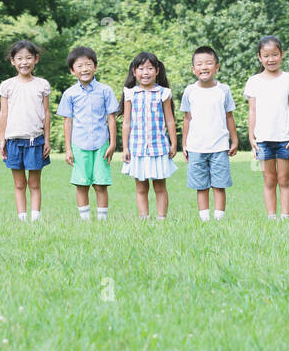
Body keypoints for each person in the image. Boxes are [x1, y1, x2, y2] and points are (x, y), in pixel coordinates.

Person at [56, 46, 118, 221]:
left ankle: (102, 221)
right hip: (79, 144)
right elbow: (67, 121)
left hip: (101, 144)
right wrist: (68, 149)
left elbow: (111, 118)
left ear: (95, 67)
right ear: (72, 70)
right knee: (81, 184)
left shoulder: (105, 90)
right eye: (80, 66)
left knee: (101, 184)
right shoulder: (69, 94)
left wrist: (113, 143)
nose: (85, 69)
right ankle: (85, 221)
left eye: (88, 64)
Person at [244, 35, 289, 221]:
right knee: (269, 180)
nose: (271, 59)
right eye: (266, 55)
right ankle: (271, 217)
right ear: (259, 57)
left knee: (284, 179)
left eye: (275, 54)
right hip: (263, 139)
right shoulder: (254, 81)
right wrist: (251, 136)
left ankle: (285, 216)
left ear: (282, 54)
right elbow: (252, 110)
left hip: (285, 138)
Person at [180, 46, 238, 220]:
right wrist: (184, 143)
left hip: (219, 146)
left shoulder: (223, 90)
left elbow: (229, 117)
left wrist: (234, 140)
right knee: (201, 185)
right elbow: (187, 119)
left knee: (219, 185)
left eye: (208, 63)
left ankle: (219, 219)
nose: (204, 67)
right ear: (193, 69)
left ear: (217, 67)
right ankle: (204, 219)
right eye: (199, 64)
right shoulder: (190, 91)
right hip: (196, 146)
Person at [0, 39, 51, 221]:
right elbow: (3, 113)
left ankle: (35, 218)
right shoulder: (7, 85)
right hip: (13, 140)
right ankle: (21, 218)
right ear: (12, 61)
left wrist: (47, 140)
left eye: (28, 58)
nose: (24, 62)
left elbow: (46, 113)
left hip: (35, 140)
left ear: (36, 59)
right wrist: (2, 139)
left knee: (34, 183)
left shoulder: (42, 84)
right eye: (19, 58)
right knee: (19, 183)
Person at [120, 52, 177, 219]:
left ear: (157, 71)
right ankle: (144, 218)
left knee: (160, 186)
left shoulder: (163, 93)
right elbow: (126, 123)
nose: (145, 72)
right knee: (141, 187)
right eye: (141, 68)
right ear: (134, 72)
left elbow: (170, 120)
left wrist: (173, 143)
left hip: (158, 147)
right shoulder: (131, 93)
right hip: (137, 148)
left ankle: (161, 218)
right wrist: (124, 147)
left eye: (150, 68)